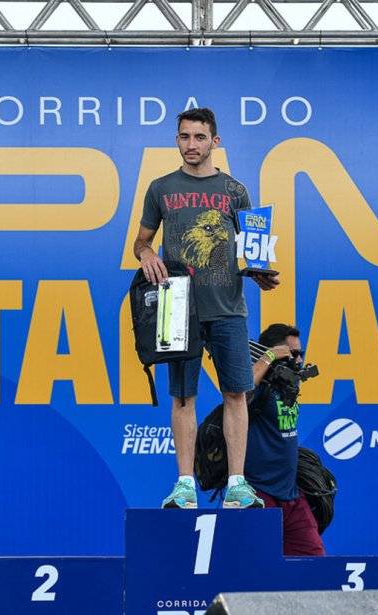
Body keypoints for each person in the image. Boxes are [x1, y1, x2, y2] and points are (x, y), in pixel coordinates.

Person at [133, 107, 279, 510]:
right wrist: (146, 253)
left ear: (215, 141)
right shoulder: (160, 188)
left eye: (199, 137)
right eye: (184, 136)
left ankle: (237, 485)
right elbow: (141, 241)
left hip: (228, 308)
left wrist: (259, 272)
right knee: (183, 397)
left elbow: (253, 249)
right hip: (177, 307)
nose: (191, 144)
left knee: (236, 394)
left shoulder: (235, 190)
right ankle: (184, 486)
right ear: (177, 140)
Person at [245, 323, 325, 556]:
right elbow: (239, 392)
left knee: (314, 562)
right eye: (293, 354)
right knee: (258, 566)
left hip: (292, 496)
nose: (299, 360)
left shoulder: (289, 382)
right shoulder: (259, 385)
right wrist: (268, 356)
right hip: (259, 494)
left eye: (302, 353)